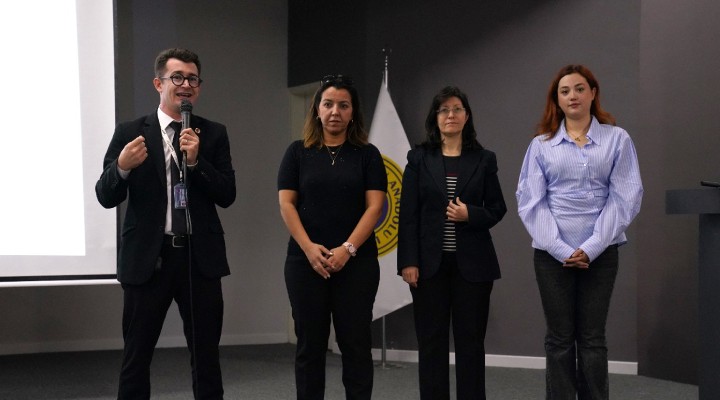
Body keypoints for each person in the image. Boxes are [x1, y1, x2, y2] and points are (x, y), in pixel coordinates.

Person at [95, 48, 236, 399]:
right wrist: (122, 167)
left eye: (193, 79)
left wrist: (197, 162)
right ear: (158, 84)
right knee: (136, 357)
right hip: (149, 260)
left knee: (206, 357)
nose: (186, 84)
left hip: (198, 260)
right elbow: (105, 195)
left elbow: (227, 194)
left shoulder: (212, 134)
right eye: (177, 77)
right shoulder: (131, 132)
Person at [516, 64, 643, 399]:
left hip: (601, 254)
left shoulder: (617, 139)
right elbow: (531, 202)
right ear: (557, 100)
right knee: (559, 339)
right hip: (551, 256)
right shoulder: (541, 145)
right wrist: (562, 249)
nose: (572, 95)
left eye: (579, 88)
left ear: (593, 93)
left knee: (592, 339)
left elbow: (625, 196)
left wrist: (592, 247)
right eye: (565, 91)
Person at [277, 75, 387, 400]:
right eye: (328, 104)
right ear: (317, 109)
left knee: (356, 346)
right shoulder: (297, 152)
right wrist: (309, 249)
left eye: (343, 105)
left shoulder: (368, 155)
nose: (335, 111)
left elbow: (375, 207)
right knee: (309, 347)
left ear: (353, 112)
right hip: (305, 263)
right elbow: (286, 204)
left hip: (357, 264)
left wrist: (347, 249)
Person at [397, 86, 507, 400]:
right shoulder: (419, 158)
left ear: (466, 116)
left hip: (473, 267)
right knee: (431, 343)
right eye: (444, 109)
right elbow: (408, 214)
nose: (451, 115)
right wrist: (408, 261)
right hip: (428, 267)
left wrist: (470, 214)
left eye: (457, 109)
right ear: (436, 117)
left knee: (471, 343)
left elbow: (497, 208)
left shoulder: (484, 159)